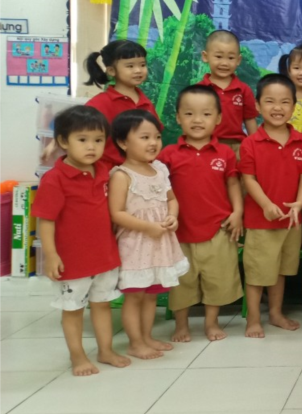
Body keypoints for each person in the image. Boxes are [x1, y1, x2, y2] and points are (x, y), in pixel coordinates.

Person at [33, 106, 129, 376]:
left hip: (105, 256)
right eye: (83, 139)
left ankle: (106, 350)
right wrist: (51, 255)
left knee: (102, 305)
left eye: (98, 140)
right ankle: (77, 356)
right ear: (63, 142)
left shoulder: (105, 171)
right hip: (72, 261)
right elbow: (46, 220)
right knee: (73, 310)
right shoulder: (55, 179)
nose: (91, 147)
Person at [158, 85, 244, 343]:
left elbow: (233, 184)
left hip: (218, 228)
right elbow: (160, 189)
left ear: (218, 118)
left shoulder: (225, 153)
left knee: (217, 279)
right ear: (178, 117)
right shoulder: (168, 154)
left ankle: (211, 323)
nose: (197, 120)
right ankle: (181, 325)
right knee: (182, 281)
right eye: (189, 114)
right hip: (179, 231)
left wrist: (238, 212)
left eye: (206, 114)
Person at [108, 110, 189, 360]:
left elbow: (171, 200)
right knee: (135, 296)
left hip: (159, 245)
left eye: (157, 137)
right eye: (144, 137)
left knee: (151, 295)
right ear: (123, 142)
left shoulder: (160, 169)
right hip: (136, 245)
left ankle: (147, 337)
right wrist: (147, 227)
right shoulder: (121, 175)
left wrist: (172, 216)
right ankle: (135, 343)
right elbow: (117, 213)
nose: (153, 143)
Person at [239, 74, 302, 337]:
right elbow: (248, 178)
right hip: (261, 222)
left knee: (280, 270)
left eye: (285, 102)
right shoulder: (250, 143)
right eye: (270, 101)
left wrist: (300, 203)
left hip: (291, 221)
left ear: (294, 106)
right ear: (258, 106)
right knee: (257, 273)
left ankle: (275, 313)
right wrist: (265, 204)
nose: (277, 108)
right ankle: (253, 320)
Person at [85, 40, 163, 167]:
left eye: (142, 65)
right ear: (111, 70)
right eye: (130, 66)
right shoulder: (99, 104)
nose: (138, 70)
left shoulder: (146, 103)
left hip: (142, 170)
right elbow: (80, 134)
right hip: (109, 171)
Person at [198, 29, 258, 157]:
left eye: (231, 58)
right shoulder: (199, 90)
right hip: (206, 145)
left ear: (238, 60)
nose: (224, 63)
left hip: (237, 147)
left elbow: (250, 120)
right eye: (218, 57)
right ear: (205, 56)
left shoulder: (244, 90)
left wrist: (256, 146)